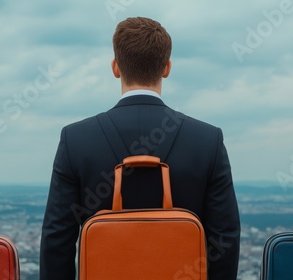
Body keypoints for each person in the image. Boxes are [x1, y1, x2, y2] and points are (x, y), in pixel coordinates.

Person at [40, 17, 240, 280]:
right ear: (166, 68)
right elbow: (225, 238)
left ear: (115, 67)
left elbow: (57, 240)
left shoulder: (76, 139)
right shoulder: (207, 139)